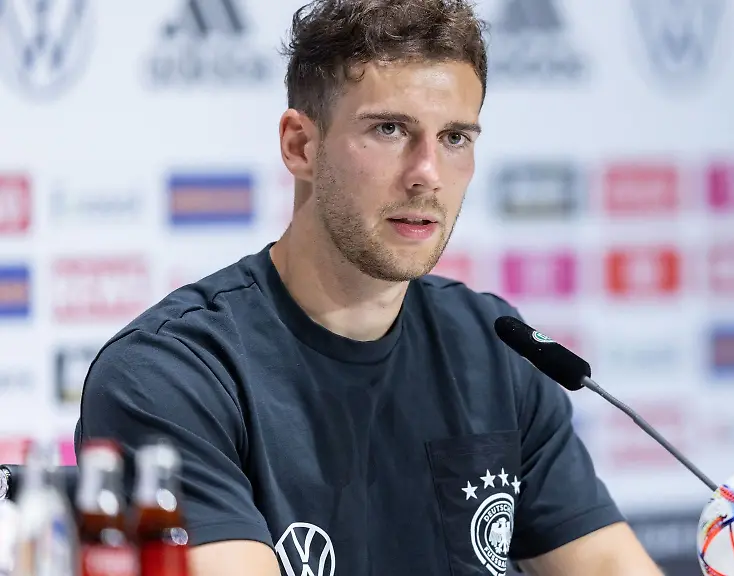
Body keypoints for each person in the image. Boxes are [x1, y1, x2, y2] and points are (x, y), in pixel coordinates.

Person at [75, 0, 664, 574]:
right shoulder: (172, 373)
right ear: (300, 146)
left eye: (455, 138)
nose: (427, 174)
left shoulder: (494, 350)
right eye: (389, 129)